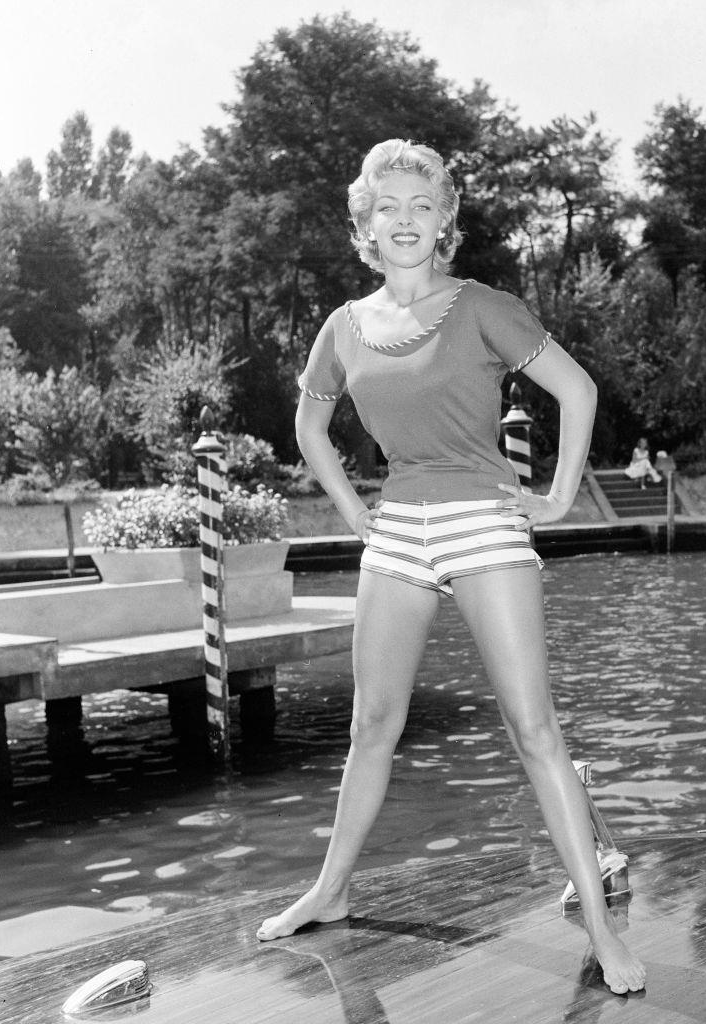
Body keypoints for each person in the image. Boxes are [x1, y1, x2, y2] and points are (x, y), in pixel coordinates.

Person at [256, 139, 646, 995]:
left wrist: (555, 498)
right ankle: (330, 888)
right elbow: (309, 427)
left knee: (533, 729)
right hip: (396, 532)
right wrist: (354, 511)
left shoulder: (482, 307)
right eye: (386, 206)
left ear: (444, 224)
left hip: (483, 524)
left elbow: (576, 391)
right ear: (365, 224)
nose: (404, 220)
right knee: (371, 726)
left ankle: (605, 930)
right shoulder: (343, 327)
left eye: (420, 206)